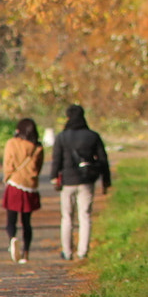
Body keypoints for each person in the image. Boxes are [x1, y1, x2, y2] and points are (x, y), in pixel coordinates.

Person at [50, 104, 110, 261]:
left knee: (67, 217)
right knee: (85, 216)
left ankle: (67, 252)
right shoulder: (92, 136)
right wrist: (106, 181)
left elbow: (56, 160)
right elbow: (103, 160)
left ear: (68, 117)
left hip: (68, 182)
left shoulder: (62, 137)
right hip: (86, 181)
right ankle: (83, 252)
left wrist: (54, 177)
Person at [1, 118, 43, 263]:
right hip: (30, 187)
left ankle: (12, 238)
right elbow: (38, 169)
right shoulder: (38, 147)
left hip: (14, 184)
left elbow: (7, 163)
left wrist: (7, 177)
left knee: (11, 219)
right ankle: (26, 253)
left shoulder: (12, 143)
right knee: (27, 222)